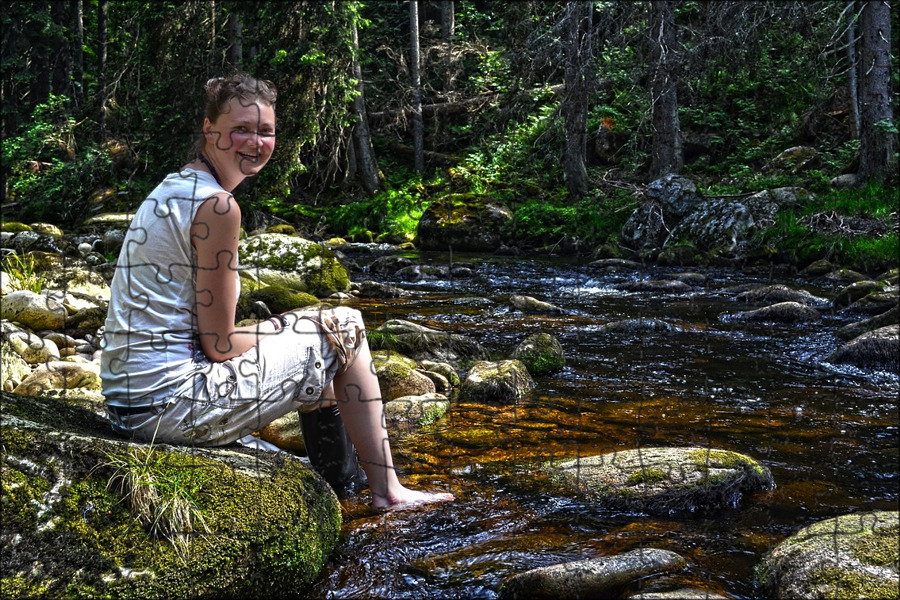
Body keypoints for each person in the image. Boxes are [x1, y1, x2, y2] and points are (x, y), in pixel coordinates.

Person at [100, 72, 453, 510]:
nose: (255, 142)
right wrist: (284, 324)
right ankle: (388, 492)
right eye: (241, 130)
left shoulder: (172, 188)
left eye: (265, 131)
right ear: (209, 130)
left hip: (128, 406)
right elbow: (220, 344)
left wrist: (286, 329)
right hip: (169, 408)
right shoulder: (218, 206)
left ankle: (341, 496)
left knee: (315, 344)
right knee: (343, 325)